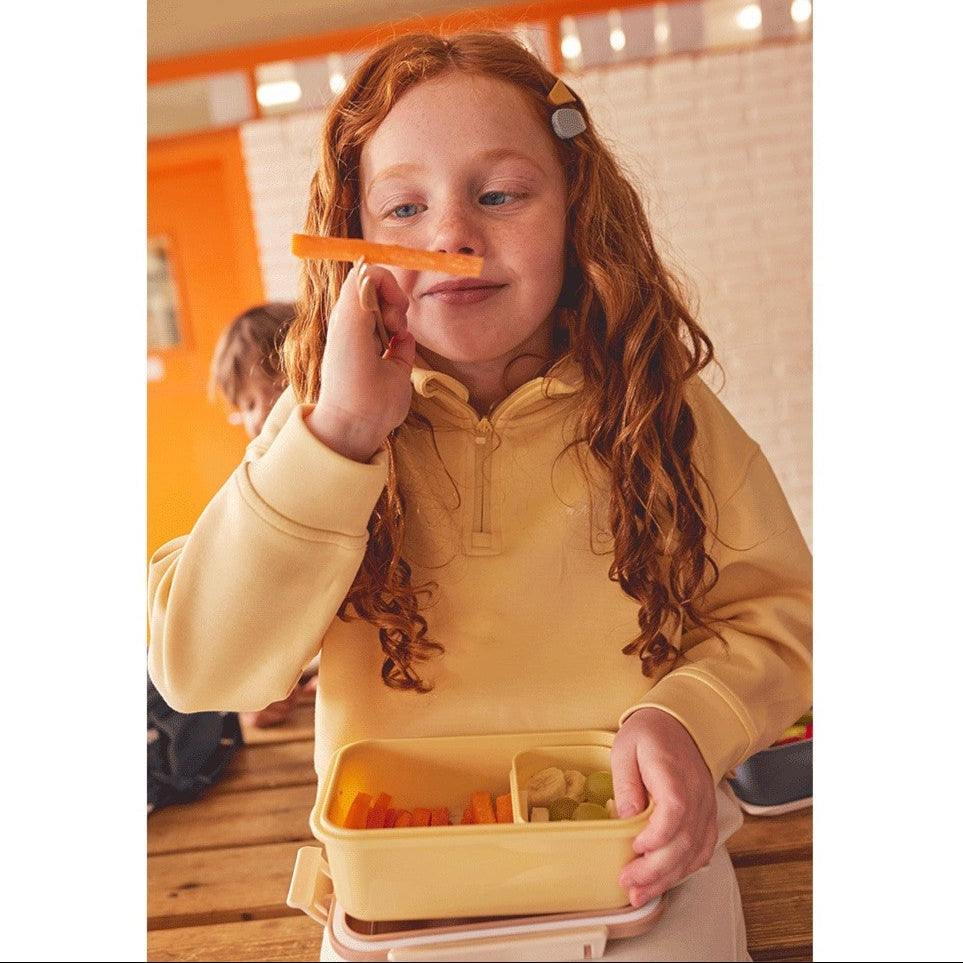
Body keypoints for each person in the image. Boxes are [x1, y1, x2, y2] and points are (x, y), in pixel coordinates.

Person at [148, 30, 812, 959]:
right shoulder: (319, 421)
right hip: (395, 908)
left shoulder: (665, 411)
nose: (451, 236)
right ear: (357, 237)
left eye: (499, 195)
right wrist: (338, 437)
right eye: (405, 206)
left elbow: (783, 611)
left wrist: (692, 717)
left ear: (576, 212)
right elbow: (200, 670)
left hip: (638, 885)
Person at [207, 301, 318, 727]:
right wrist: (251, 689)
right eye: (250, 403)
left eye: (282, 385)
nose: (267, 412)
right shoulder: (255, 491)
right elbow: (246, 606)